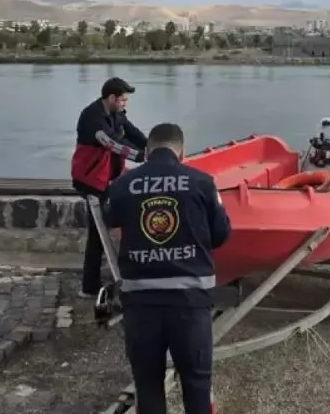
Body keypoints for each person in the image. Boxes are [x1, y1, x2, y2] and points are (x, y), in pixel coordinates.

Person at [105, 123, 231, 414]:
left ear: (147, 152)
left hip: (140, 303)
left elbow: (109, 219)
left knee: (148, 385)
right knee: (197, 383)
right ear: (182, 152)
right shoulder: (202, 182)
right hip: (190, 303)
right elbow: (221, 235)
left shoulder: (124, 184)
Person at [70, 77, 148, 299]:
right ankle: (89, 287)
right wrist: (142, 156)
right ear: (111, 98)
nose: (125, 104)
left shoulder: (116, 114)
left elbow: (131, 133)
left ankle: (119, 272)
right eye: (123, 100)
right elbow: (112, 142)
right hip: (90, 181)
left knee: (112, 223)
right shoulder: (92, 118)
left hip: (108, 179)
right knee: (97, 234)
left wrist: (153, 146)